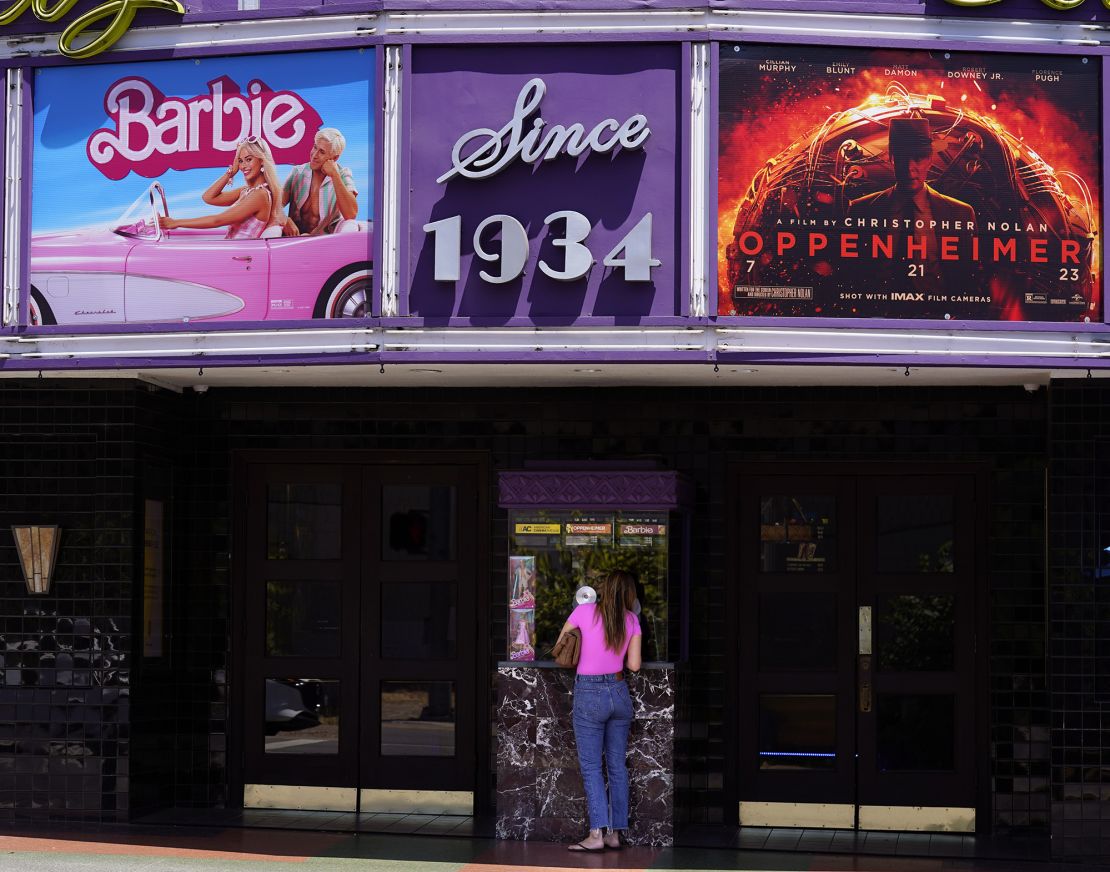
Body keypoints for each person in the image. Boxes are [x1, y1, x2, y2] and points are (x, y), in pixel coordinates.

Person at [555, 569, 642, 852]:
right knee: (617, 766)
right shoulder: (632, 620)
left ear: (603, 589)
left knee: (593, 767)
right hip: (619, 694)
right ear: (630, 594)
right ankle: (615, 834)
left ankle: (595, 835)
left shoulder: (585, 611)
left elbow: (561, 646)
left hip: (590, 694)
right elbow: (634, 666)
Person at [158, 137, 284, 239]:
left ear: (261, 160)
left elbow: (218, 220)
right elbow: (208, 197)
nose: (243, 166)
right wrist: (231, 172)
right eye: (240, 161)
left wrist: (176, 222)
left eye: (248, 159)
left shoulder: (260, 195)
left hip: (240, 257)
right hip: (231, 252)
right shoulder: (246, 191)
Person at [281, 127, 359, 236]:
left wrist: (335, 175)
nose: (314, 155)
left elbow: (350, 214)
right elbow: (274, 205)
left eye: (321, 152)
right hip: (293, 240)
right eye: (315, 147)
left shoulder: (343, 174)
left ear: (335, 158)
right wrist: (285, 219)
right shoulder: (297, 172)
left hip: (322, 244)